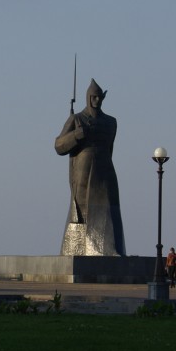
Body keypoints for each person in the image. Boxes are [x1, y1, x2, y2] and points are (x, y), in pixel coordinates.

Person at [54, 79, 126, 256]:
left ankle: (109, 249)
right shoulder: (77, 119)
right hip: (83, 172)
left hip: (106, 170)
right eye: (93, 97)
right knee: (81, 213)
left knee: (109, 207)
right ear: (88, 98)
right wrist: (76, 135)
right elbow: (58, 146)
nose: (96, 101)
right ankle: (76, 251)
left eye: (99, 97)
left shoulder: (111, 122)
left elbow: (110, 148)